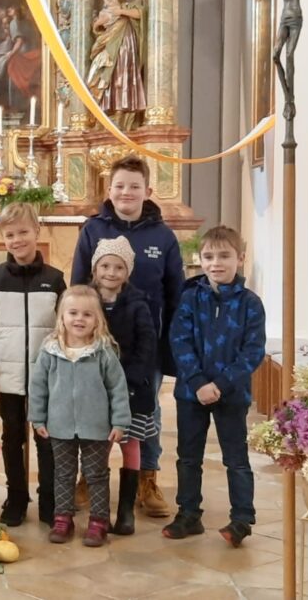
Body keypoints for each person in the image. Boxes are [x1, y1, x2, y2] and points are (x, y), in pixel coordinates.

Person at [71, 154, 183, 518]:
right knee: (93, 408)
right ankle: (89, 476)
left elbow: (175, 294)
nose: (126, 192)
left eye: (134, 186)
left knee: (146, 412)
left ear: (148, 190)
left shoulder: (163, 236)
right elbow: (77, 287)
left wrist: (170, 346)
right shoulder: (93, 230)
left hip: (145, 344)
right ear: (109, 189)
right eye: (119, 186)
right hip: (96, 342)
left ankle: (147, 478)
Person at [163, 226, 265, 548]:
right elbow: (179, 342)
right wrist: (197, 383)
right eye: (209, 256)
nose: (215, 263)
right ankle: (188, 514)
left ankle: (242, 519)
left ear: (240, 258)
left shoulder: (251, 304)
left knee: (236, 459)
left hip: (231, 394)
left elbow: (253, 352)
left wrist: (219, 385)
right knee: (188, 457)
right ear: (201, 259)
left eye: (224, 256)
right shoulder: (190, 297)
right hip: (191, 393)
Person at [0, 202, 66, 527]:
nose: (17, 240)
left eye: (23, 232)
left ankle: (50, 499)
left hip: (45, 376)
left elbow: (66, 328)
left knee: (46, 439)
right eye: (10, 235)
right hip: (6, 375)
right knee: (12, 438)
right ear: (3, 238)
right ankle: (16, 497)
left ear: (37, 231)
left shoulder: (54, 280)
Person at [30, 285, 130, 547]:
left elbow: (117, 388)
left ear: (97, 319)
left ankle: (99, 522)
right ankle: (63, 519)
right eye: (73, 313)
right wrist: (38, 418)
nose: (79, 319)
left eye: (87, 314)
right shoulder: (50, 350)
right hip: (59, 426)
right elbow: (38, 387)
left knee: (96, 474)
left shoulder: (103, 351)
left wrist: (120, 422)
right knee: (63, 474)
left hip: (96, 427)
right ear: (62, 316)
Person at [89, 237, 157, 535]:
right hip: (96, 390)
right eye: (105, 266)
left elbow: (147, 345)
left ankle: (126, 512)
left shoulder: (138, 304)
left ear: (127, 272)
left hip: (132, 389)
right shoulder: (86, 301)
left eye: (119, 267)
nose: (111, 272)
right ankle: (100, 510)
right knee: (99, 448)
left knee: (130, 445)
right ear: (95, 269)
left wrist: (128, 381)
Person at [85, 0, 146, 130]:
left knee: (120, 74)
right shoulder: (106, 5)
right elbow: (101, 25)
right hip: (108, 42)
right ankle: (106, 110)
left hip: (124, 43)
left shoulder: (128, 3)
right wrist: (98, 24)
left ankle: (120, 110)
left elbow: (140, 13)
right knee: (100, 73)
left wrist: (121, 11)